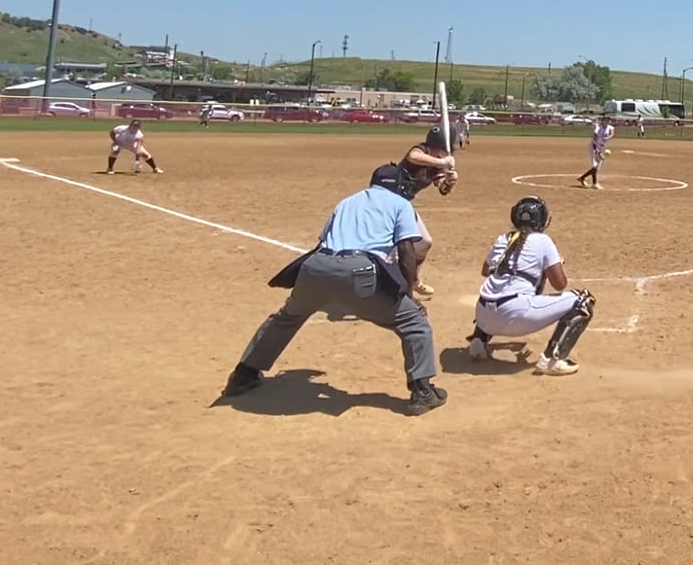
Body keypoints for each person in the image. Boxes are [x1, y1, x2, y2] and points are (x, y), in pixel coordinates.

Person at [221, 177, 449, 415]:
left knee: (286, 318)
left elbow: (323, 241)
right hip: (358, 272)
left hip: (315, 267)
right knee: (414, 322)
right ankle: (422, 392)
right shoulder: (400, 203)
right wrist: (408, 293)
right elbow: (407, 250)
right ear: (399, 186)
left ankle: (243, 375)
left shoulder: (347, 201)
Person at [463, 197, 595, 376]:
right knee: (583, 301)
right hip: (515, 314)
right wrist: (549, 266)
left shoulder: (504, 238)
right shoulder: (543, 241)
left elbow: (486, 271)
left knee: (496, 288)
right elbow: (560, 285)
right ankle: (553, 360)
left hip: (483, 316)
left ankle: (479, 340)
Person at [370, 126, 460, 299]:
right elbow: (413, 156)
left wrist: (450, 182)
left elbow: (442, 189)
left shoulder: (436, 165)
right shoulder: (421, 150)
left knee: (424, 242)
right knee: (389, 247)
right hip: (386, 202)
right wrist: (443, 163)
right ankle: (382, 285)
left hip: (404, 205)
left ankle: (413, 280)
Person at [576, 115, 615, 189]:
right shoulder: (598, 127)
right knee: (595, 166)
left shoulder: (610, 127)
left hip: (601, 148)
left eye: (608, 120)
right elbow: (595, 136)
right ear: (602, 120)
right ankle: (594, 184)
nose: (607, 121)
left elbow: (612, 134)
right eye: (605, 120)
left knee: (597, 167)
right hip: (594, 147)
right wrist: (597, 150)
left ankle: (582, 178)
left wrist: (607, 137)